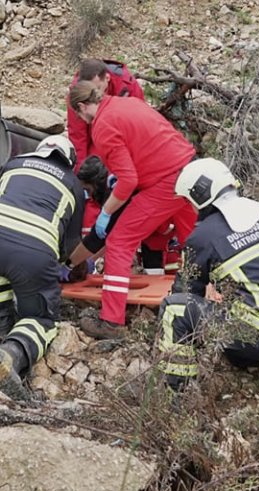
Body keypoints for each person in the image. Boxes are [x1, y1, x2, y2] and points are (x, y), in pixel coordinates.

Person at [155, 158, 259, 391]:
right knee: (238, 326)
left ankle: (175, 389)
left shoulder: (203, 237)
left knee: (173, 309)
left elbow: (186, 293)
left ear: (200, 195)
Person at [66, 80, 198, 340]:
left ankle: (111, 322)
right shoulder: (128, 103)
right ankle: (217, 294)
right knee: (194, 241)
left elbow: (128, 181)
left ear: (82, 107)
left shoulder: (102, 127)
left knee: (119, 242)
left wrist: (106, 211)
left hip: (166, 180)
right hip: (189, 169)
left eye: (79, 116)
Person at [0, 135, 85, 400]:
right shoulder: (73, 184)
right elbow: (71, 244)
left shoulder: (13, 164)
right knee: (42, 318)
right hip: (32, 253)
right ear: (70, 162)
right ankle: (12, 353)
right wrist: (66, 266)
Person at [66, 58, 147, 251]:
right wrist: (82, 175)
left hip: (126, 145)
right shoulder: (77, 96)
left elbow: (140, 121)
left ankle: (118, 241)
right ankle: (90, 249)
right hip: (97, 145)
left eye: (97, 88)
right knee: (96, 189)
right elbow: (78, 138)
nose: (95, 95)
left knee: (126, 191)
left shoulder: (127, 86)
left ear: (107, 79)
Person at [75, 155, 182, 275]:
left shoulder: (118, 194)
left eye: (88, 190)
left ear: (96, 183)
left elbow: (102, 238)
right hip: (157, 231)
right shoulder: (119, 182)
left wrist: (73, 264)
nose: (90, 197)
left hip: (164, 227)